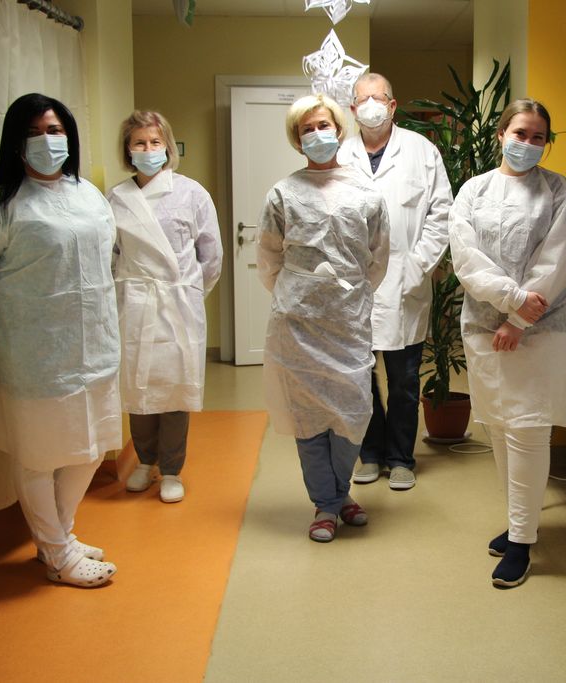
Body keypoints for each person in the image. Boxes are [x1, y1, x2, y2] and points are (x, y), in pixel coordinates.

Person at [0, 93, 120, 587]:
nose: (46, 141)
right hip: (35, 354)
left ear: (69, 137)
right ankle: (58, 555)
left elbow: (107, 259)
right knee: (38, 456)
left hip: (96, 347)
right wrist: (12, 326)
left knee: (91, 448)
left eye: (55, 130)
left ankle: (58, 536)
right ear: (15, 143)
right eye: (34, 132)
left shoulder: (88, 194)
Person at [449, 99, 566, 588]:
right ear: (501, 134)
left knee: (528, 430)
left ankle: (523, 541)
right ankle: (516, 522)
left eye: (538, 137)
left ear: (547, 143)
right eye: (520, 133)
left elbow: (557, 258)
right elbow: (466, 257)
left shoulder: (557, 190)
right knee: (500, 428)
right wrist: (510, 303)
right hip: (485, 328)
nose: (527, 143)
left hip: (541, 330)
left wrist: (521, 318)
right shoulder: (474, 190)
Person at [256, 93, 390, 542]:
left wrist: (344, 296)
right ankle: (327, 503)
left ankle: (336, 494)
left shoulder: (366, 192)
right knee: (309, 415)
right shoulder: (283, 193)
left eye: (322, 125)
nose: (316, 134)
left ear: (338, 128)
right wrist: (302, 296)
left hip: (348, 320)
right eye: (306, 129)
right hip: (298, 322)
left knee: (353, 410)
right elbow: (269, 258)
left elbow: (378, 258)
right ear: (297, 139)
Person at [338, 73, 452, 491]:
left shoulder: (422, 152)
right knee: (359, 378)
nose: (371, 105)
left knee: (404, 381)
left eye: (379, 97)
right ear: (353, 109)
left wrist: (417, 265)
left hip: (406, 286)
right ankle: (370, 453)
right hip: (353, 288)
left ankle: (401, 458)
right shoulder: (340, 155)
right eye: (362, 99)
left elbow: (442, 213)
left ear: (392, 105)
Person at [107, 111, 223, 504]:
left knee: (174, 389)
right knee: (137, 387)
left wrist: (188, 294)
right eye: (139, 143)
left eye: (155, 142)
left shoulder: (192, 193)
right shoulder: (117, 198)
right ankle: (145, 461)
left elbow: (211, 256)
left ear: (167, 146)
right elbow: (111, 255)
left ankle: (171, 469)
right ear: (128, 150)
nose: (148, 149)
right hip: (135, 303)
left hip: (177, 304)